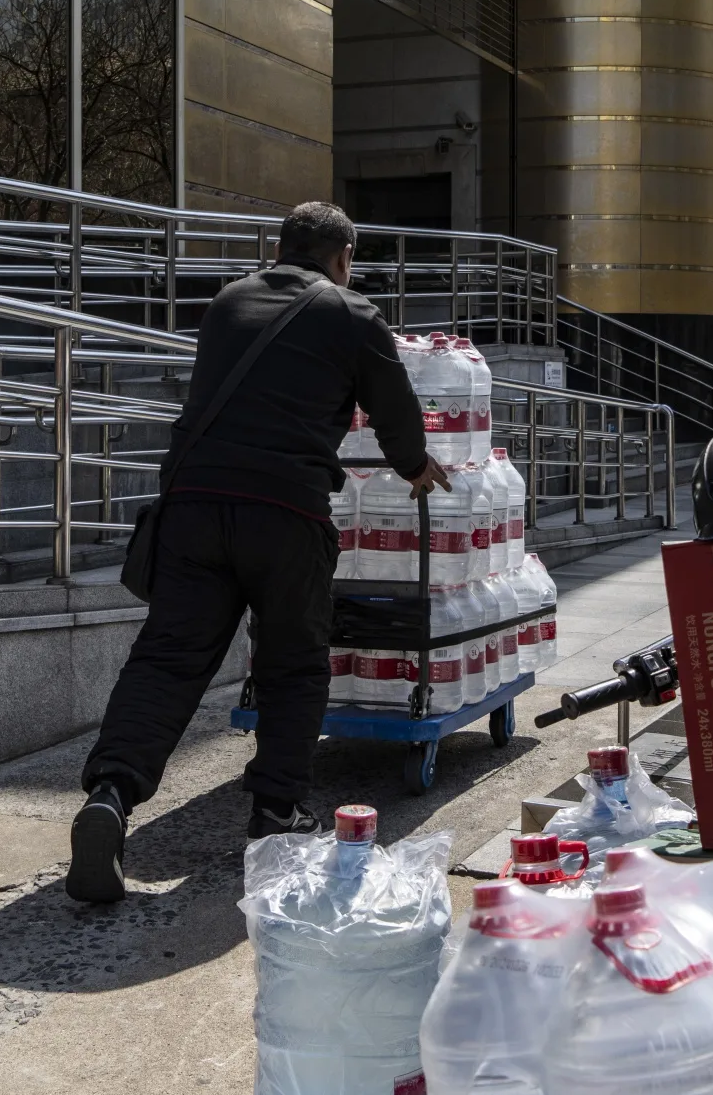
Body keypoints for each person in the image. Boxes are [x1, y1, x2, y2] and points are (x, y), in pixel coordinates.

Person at [66, 201, 448, 903]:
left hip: (194, 505)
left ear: (282, 249)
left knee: (169, 658)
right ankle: (276, 809)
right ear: (341, 257)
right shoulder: (351, 311)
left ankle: (111, 796)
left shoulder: (227, 301)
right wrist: (414, 464)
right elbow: (393, 406)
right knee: (293, 662)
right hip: (284, 511)